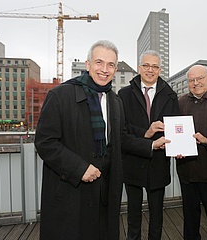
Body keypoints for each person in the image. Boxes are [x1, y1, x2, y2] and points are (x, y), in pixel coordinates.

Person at [34, 40, 169, 240]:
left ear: (115, 69)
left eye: (111, 65)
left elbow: (120, 138)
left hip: (104, 191)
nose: (104, 69)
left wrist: (151, 144)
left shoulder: (114, 101)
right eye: (99, 62)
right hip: (72, 191)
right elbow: (45, 142)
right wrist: (79, 169)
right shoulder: (60, 95)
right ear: (87, 65)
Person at [118, 50, 179, 240]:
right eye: (146, 65)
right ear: (139, 68)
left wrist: (179, 147)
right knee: (133, 215)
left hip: (159, 163)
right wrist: (147, 132)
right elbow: (123, 130)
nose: (150, 70)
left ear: (160, 70)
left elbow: (176, 126)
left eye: (154, 66)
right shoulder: (124, 94)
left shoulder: (170, 95)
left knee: (157, 215)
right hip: (133, 162)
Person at [176, 65, 207, 240]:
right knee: (190, 220)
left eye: (200, 79)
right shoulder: (180, 102)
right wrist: (176, 148)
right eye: (191, 80)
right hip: (186, 172)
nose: (195, 83)